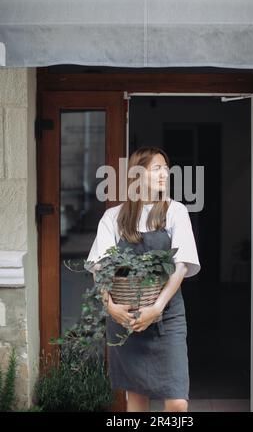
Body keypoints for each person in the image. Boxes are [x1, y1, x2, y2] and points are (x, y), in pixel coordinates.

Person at [85, 146, 201, 412]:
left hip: (167, 317)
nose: (164, 174)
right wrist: (111, 307)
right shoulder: (113, 216)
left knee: (177, 403)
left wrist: (157, 308)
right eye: (156, 168)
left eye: (165, 168)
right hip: (126, 319)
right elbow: (99, 267)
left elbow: (181, 265)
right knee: (137, 398)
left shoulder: (175, 211)